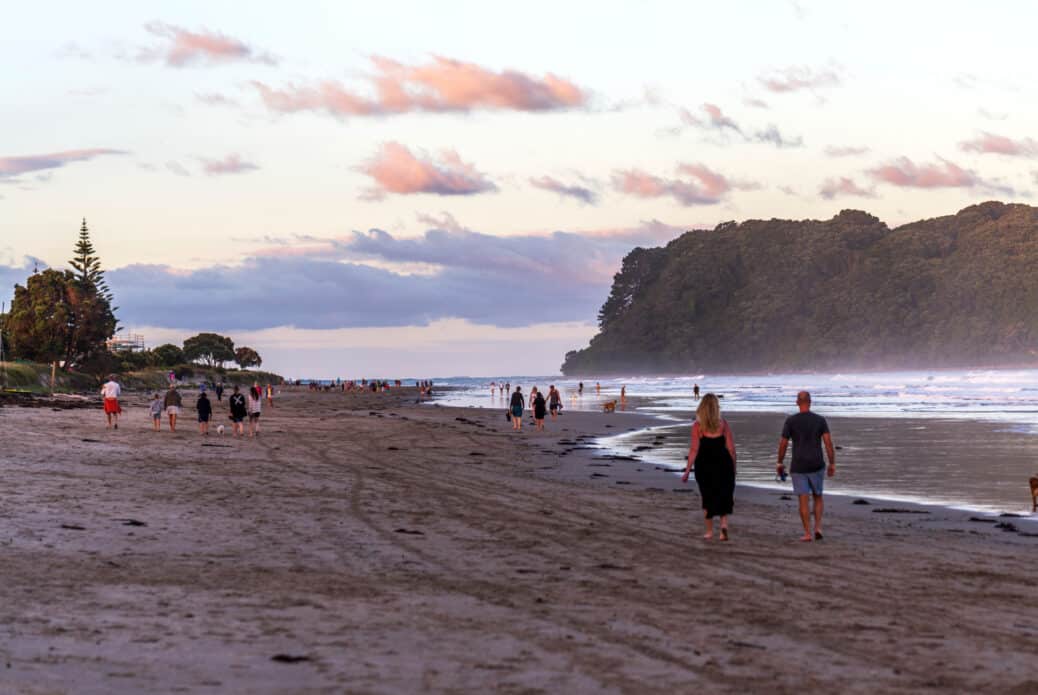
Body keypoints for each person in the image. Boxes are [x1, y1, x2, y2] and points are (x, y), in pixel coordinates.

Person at [777, 391, 836, 542]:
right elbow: (828, 443)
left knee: (803, 500)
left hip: (799, 465)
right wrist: (832, 463)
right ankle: (818, 527)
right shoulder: (820, 420)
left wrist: (779, 462)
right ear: (810, 402)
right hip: (816, 463)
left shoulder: (791, 421)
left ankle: (807, 533)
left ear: (797, 402)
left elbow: (783, 443)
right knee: (818, 497)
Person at [681, 393, 736, 541]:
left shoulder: (698, 427)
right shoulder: (723, 424)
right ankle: (723, 526)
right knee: (723, 494)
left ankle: (710, 531)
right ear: (716, 407)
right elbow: (731, 448)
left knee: (707, 496)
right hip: (723, 463)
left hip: (704, 465)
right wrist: (734, 468)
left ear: (702, 408)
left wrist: (687, 471)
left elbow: (694, 450)